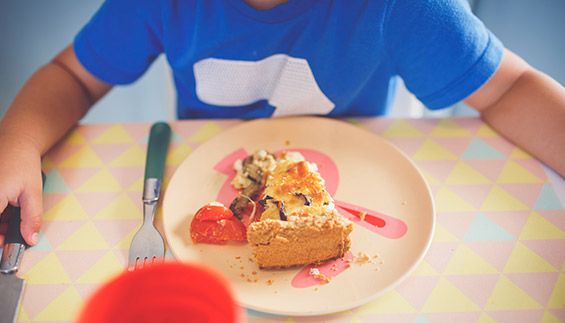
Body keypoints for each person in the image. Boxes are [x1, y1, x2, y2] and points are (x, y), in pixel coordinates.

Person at [0, 0, 564, 247]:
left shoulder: (405, 6)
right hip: (207, 201)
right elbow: (72, 75)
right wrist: (18, 141)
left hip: (368, 204)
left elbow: (511, 88)